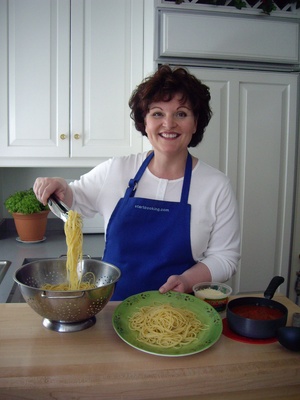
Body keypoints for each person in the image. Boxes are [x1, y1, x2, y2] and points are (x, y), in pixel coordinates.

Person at [34, 65, 240, 301]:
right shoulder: (116, 170)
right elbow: (73, 197)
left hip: (180, 314)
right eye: (157, 113)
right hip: (111, 310)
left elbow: (225, 256)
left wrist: (187, 280)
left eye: (181, 113)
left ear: (195, 123)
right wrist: (59, 185)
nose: (169, 123)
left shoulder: (216, 186)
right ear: (145, 120)